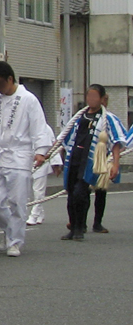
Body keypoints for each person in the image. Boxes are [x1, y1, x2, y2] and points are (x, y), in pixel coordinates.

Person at [0, 61, 50, 257]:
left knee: (17, 201)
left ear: (10, 79)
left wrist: (40, 150)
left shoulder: (29, 99)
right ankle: (9, 231)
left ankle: (15, 241)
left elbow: (39, 126)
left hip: (20, 155)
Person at [58, 84, 126, 241]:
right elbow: (66, 138)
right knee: (70, 194)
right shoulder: (79, 116)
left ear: (102, 99)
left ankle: (81, 228)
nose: (92, 100)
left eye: (95, 97)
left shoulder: (107, 118)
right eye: (89, 96)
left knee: (80, 193)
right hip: (74, 157)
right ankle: (73, 226)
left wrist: (115, 164)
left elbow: (116, 142)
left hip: (91, 160)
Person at [90, 92, 125, 233]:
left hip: (104, 160)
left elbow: (117, 141)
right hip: (88, 159)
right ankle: (78, 222)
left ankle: (97, 222)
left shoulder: (110, 119)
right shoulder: (84, 116)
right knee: (81, 191)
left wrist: (115, 162)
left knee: (100, 191)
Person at [26, 124, 62, 226]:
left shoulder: (45, 128)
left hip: (41, 161)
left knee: (38, 191)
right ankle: (40, 214)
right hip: (25, 162)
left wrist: (56, 163)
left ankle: (34, 215)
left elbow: (53, 145)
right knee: (27, 192)